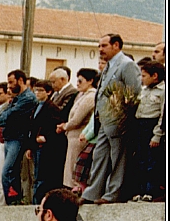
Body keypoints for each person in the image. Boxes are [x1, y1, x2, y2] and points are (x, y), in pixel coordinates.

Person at [83, 33, 142, 204]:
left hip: (118, 120)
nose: (100, 50)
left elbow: (134, 93)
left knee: (118, 158)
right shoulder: (109, 66)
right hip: (103, 120)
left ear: (116, 45)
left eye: (104, 46)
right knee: (99, 155)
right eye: (99, 46)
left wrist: (124, 116)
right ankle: (92, 193)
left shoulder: (127, 65)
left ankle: (113, 193)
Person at [0, 69, 36, 204]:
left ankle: (12, 202)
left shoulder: (27, 99)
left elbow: (8, 116)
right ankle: (14, 200)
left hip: (17, 138)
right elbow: (2, 116)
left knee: (7, 172)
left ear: (20, 81)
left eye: (11, 82)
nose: (9, 86)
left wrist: (5, 117)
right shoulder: (17, 99)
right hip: (10, 138)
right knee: (11, 174)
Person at [58, 68, 98, 189]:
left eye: (81, 81)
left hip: (79, 137)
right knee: (69, 169)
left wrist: (65, 126)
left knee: (74, 171)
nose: (78, 84)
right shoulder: (82, 95)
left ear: (90, 81)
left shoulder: (91, 96)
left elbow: (77, 119)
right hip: (73, 136)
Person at [30, 80, 69, 203]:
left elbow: (55, 127)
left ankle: (39, 202)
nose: (37, 93)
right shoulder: (37, 106)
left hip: (46, 147)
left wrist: (46, 137)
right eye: (36, 90)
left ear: (49, 92)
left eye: (41, 90)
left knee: (41, 177)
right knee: (36, 176)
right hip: (36, 146)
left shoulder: (52, 108)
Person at [131, 61, 165, 201]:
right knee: (140, 160)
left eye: (144, 75)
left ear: (155, 76)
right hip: (140, 126)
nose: (141, 79)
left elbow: (163, 114)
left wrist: (157, 135)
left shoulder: (163, 91)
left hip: (152, 126)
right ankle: (140, 189)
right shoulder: (144, 90)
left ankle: (151, 191)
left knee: (152, 162)